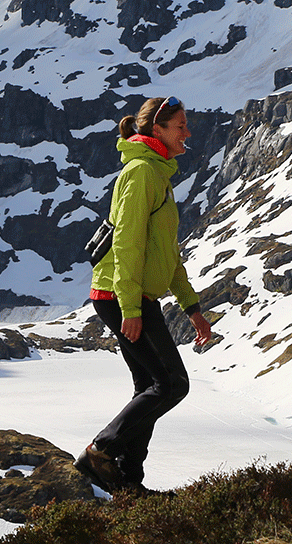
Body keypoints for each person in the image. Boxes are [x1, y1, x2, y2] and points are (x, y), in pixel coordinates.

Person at [73, 96, 214, 498]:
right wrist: (131, 309)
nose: (188, 132)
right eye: (180, 126)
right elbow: (128, 244)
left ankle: (129, 483)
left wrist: (193, 308)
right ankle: (100, 452)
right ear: (157, 130)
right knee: (172, 383)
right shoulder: (140, 173)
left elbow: (167, 253)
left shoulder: (157, 173)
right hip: (121, 296)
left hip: (130, 295)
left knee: (149, 387)